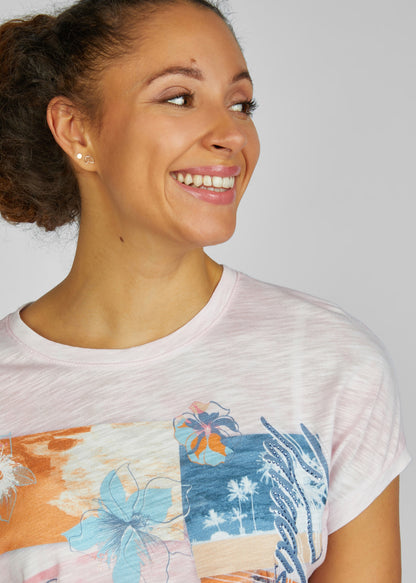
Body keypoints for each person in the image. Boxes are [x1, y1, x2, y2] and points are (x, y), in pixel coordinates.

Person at [0, 0, 410, 581]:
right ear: (76, 129)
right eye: (178, 98)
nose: (232, 134)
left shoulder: (328, 364)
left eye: (241, 104)